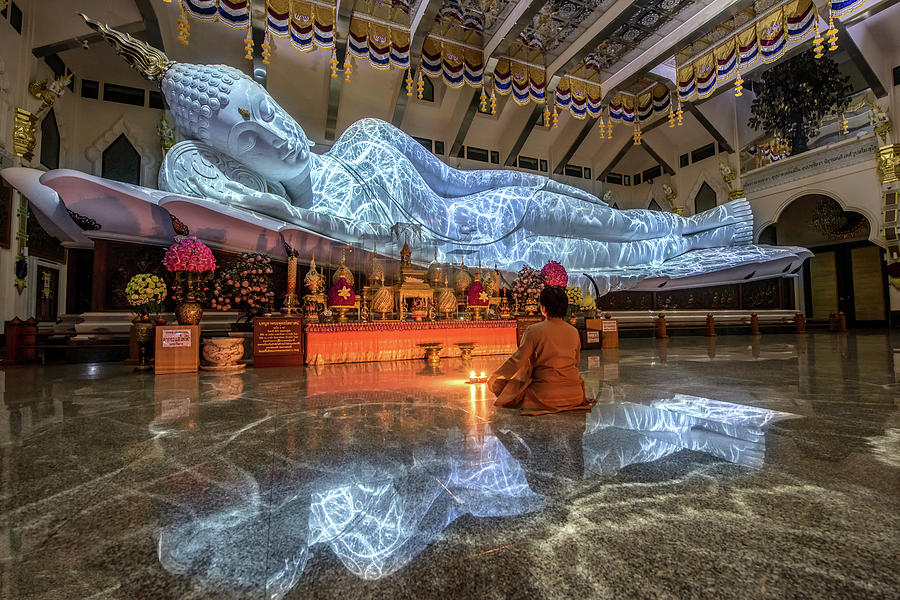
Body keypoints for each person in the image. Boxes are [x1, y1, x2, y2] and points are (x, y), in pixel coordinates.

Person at [488, 286, 593, 416]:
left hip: (545, 397)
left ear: (543, 307)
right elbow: (575, 362)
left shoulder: (534, 330)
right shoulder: (574, 331)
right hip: (575, 395)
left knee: (504, 385)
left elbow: (516, 361)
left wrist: (494, 376)